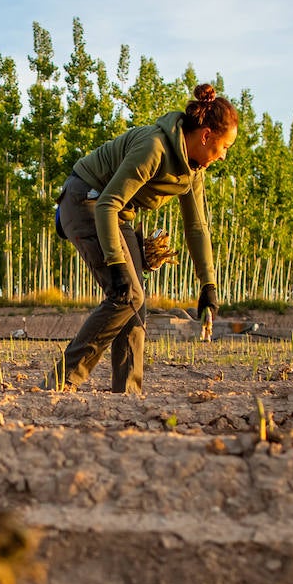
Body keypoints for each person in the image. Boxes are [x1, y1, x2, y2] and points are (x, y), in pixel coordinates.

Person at [42, 83, 238, 394]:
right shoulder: (155, 147)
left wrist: (208, 284)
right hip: (86, 200)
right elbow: (107, 202)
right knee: (126, 294)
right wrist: (116, 262)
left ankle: (127, 393)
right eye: (225, 147)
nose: (224, 156)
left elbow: (197, 227)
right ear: (206, 136)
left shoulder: (193, 171)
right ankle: (60, 382)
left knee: (136, 302)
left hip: (116, 212)